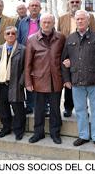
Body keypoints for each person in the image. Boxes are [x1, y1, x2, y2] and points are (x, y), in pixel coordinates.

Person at [62, 10, 95, 150]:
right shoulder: (70, 39)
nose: (80, 21)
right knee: (80, 110)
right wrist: (66, 79)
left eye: (83, 19)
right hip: (76, 81)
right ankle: (83, 135)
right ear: (75, 21)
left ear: (88, 21)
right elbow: (64, 60)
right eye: (78, 19)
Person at [25, 13, 65, 144]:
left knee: (55, 109)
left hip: (55, 79)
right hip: (38, 80)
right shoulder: (32, 39)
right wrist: (28, 82)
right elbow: (28, 63)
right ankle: (38, 133)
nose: (46, 24)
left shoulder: (61, 38)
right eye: (44, 22)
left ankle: (55, 133)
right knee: (39, 109)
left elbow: (64, 58)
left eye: (49, 22)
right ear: (40, 23)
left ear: (53, 23)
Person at [57, 0, 95, 118]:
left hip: (85, 52)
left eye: (77, 2)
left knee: (84, 80)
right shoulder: (62, 18)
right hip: (69, 52)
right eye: (72, 2)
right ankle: (68, 107)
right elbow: (60, 36)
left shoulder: (89, 17)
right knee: (69, 80)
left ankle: (84, 107)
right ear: (68, 3)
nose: (74, 4)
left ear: (80, 2)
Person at [0, 26, 26, 140]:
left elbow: (26, 68)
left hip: (16, 84)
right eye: (8, 33)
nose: (11, 35)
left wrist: (21, 83)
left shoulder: (22, 49)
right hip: (2, 84)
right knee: (3, 108)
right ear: (4, 36)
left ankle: (19, 130)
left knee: (18, 108)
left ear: (16, 35)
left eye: (13, 33)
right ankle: (6, 128)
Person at [17, 0, 41, 115]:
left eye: (37, 6)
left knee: (40, 80)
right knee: (28, 78)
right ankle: (30, 105)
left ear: (40, 8)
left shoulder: (44, 20)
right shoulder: (22, 22)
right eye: (32, 6)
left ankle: (42, 105)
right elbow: (19, 38)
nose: (34, 7)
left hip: (40, 56)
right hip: (26, 55)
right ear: (28, 8)